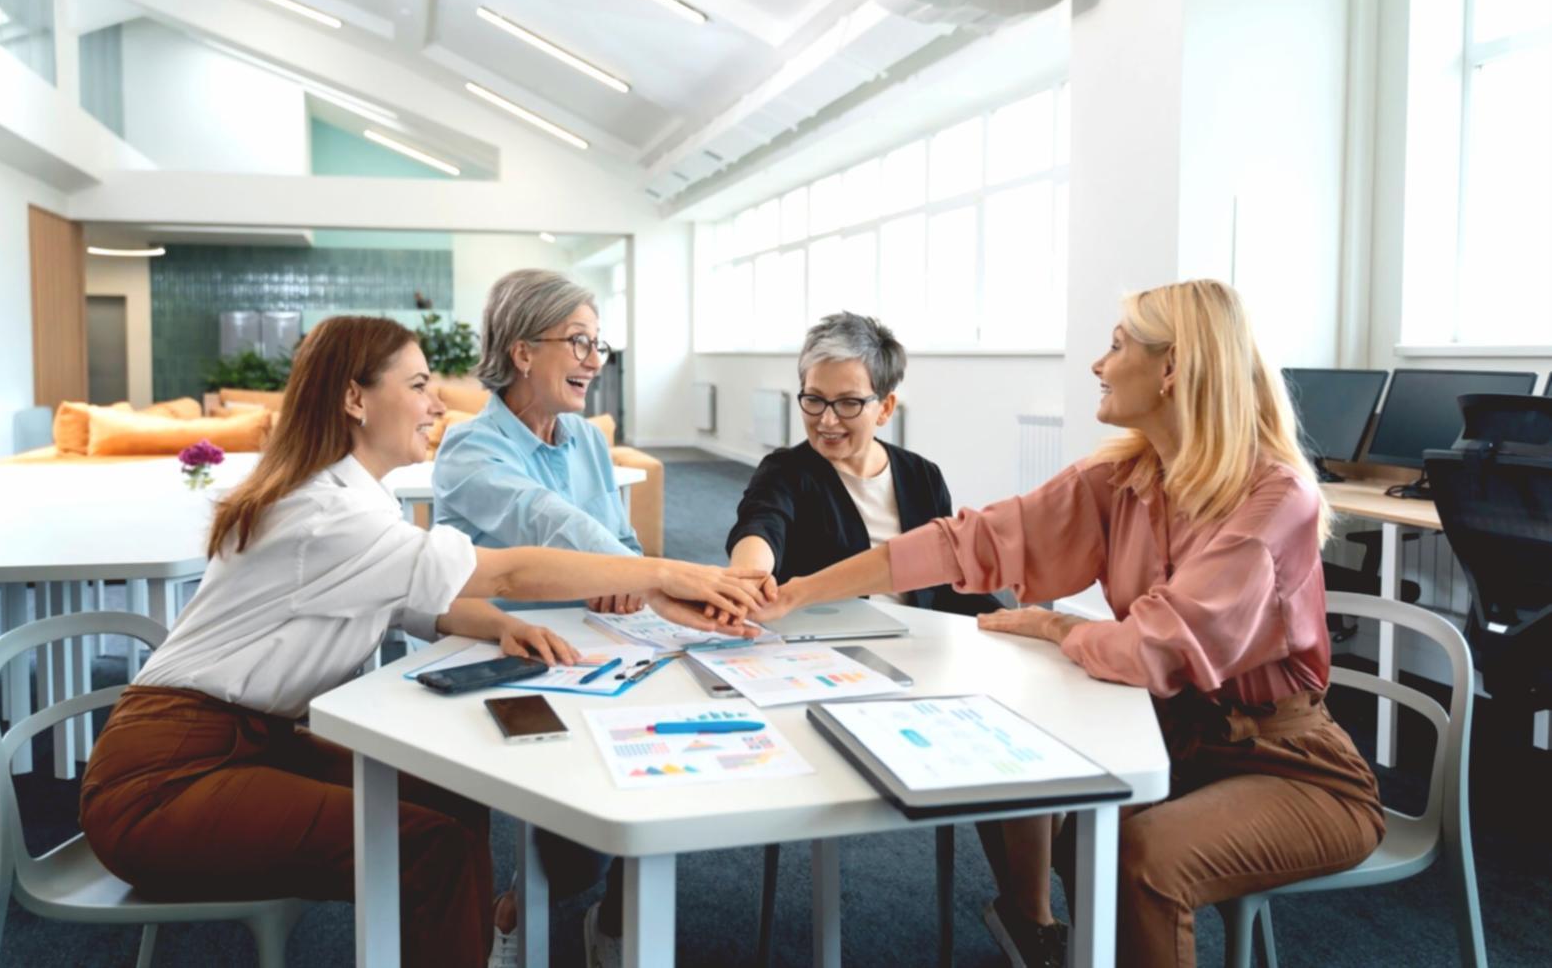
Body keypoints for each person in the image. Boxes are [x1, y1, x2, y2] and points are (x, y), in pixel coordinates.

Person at [78, 316, 766, 968]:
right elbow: (511, 569)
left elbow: (413, 598)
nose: (437, 400)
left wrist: (498, 623)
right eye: (417, 384)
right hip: (164, 778)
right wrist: (661, 572)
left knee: (447, 793)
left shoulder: (352, 497)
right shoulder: (328, 511)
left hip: (249, 737)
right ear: (354, 397)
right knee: (425, 849)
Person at [753, 281, 1385, 968]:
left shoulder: (1275, 495)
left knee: (1139, 858)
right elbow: (967, 540)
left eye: (1116, 347)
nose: (1097, 364)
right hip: (1172, 738)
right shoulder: (1123, 476)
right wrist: (798, 592)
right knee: (1077, 834)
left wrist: (1058, 630)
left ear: (1171, 368)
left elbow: (1157, 645)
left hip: (1293, 767)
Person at [434, 270, 740, 966]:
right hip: (507, 657)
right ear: (520, 350)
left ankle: (618, 922)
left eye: (597, 342)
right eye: (578, 341)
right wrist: (648, 579)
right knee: (570, 850)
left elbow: (621, 545)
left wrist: (630, 577)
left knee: (666, 771)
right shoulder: (469, 449)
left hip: (604, 646)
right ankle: (509, 914)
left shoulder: (588, 441)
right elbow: (549, 524)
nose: (595, 360)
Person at [727, 311, 1001, 616]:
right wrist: (747, 578)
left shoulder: (922, 476)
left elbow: (948, 582)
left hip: (918, 638)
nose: (827, 420)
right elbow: (761, 526)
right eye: (815, 399)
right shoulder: (785, 471)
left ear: (885, 408)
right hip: (829, 645)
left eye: (848, 403)